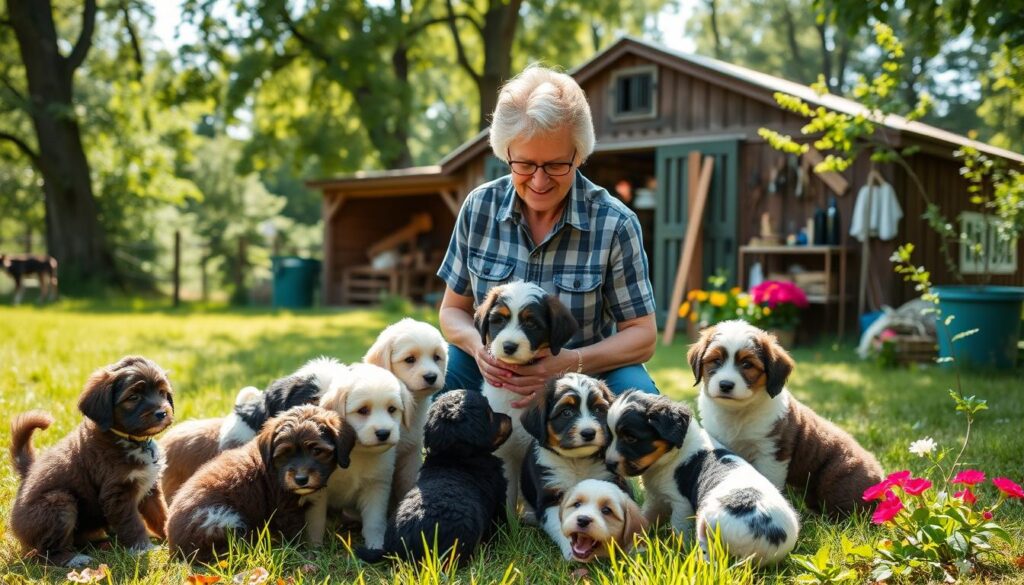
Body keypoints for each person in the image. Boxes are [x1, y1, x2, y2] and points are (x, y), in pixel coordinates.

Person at [436, 65, 658, 407]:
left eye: (556, 165)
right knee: (433, 380)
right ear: (505, 152)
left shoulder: (615, 223)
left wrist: (571, 362)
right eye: (524, 164)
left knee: (644, 403)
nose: (539, 182)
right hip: (490, 366)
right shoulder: (479, 207)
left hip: (584, 374)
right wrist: (479, 348)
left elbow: (642, 336)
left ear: (579, 155)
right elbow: (452, 311)